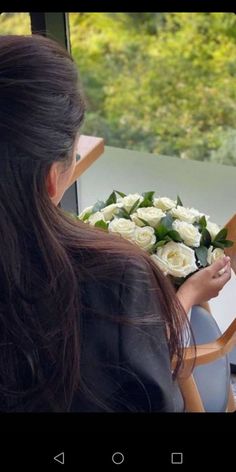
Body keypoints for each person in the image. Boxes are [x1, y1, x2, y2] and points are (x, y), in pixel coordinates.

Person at [0, 34, 231, 412]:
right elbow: (153, 399)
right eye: (73, 153)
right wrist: (186, 296)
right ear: (52, 180)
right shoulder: (113, 277)